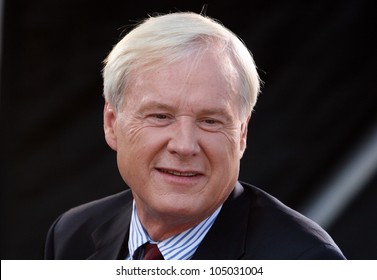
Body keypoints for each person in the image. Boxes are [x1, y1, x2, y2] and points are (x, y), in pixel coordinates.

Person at [45, 12, 345, 260]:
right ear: (112, 124)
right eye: (160, 116)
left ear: (241, 134)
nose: (184, 145)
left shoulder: (306, 261)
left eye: (210, 121)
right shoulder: (72, 235)